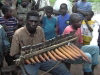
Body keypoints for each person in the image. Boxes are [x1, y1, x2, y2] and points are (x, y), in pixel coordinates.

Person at [10, 11, 72, 75]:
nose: (33, 24)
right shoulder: (18, 33)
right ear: (26, 21)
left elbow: (43, 45)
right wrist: (25, 57)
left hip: (41, 58)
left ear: (39, 22)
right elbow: (14, 54)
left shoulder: (40, 30)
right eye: (31, 21)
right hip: (27, 62)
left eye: (36, 21)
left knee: (62, 69)